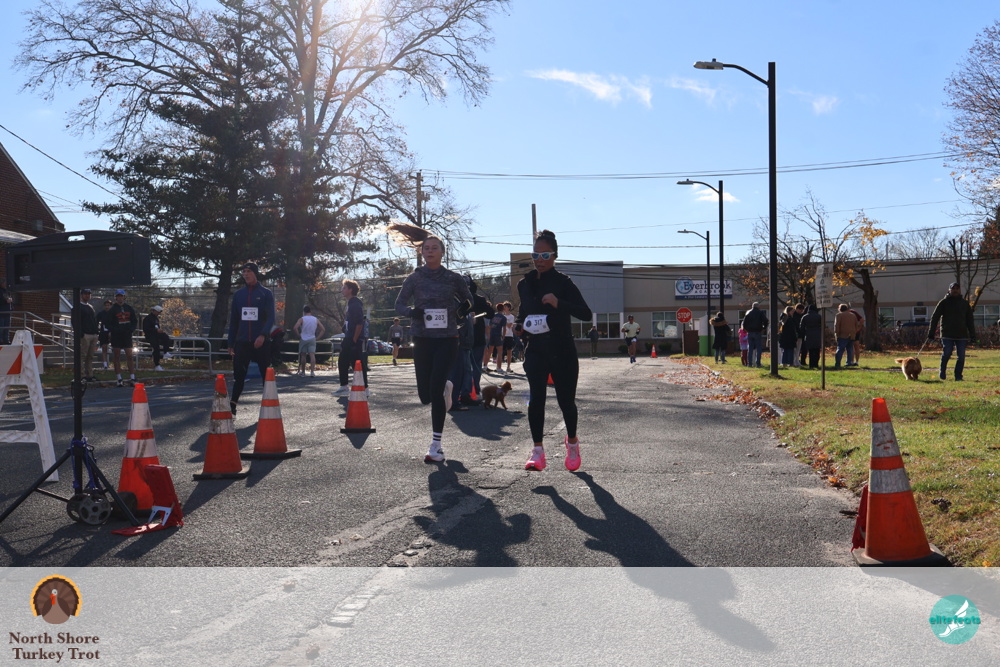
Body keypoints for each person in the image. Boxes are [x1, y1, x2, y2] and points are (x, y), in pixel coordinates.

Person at [515, 229, 592, 472]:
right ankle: (537, 451)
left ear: (555, 255)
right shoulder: (524, 284)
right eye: (535, 254)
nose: (539, 259)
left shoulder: (563, 283)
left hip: (562, 348)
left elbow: (586, 314)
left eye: (545, 255)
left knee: (566, 401)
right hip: (536, 348)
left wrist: (559, 302)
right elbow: (523, 314)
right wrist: (519, 326)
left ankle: (572, 443)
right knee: (536, 399)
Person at [393, 230, 472, 463]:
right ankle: (446, 386)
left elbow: (469, 301)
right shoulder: (414, 278)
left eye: (434, 248)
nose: (430, 251)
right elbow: (399, 304)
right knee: (425, 395)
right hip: (422, 338)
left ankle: (436, 445)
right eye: (426, 248)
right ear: (422, 252)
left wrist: (458, 313)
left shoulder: (453, 278)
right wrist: (412, 312)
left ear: (442, 252)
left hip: (447, 339)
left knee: (435, 391)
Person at [227, 263, 275, 414]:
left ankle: (269, 406)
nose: (245, 274)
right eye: (244, 272)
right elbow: (234, 320)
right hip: (242, 342)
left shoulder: (265, 293)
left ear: (255, 273)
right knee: (239, 376)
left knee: (266, 375)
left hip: (261, 342)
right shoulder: (239, 295)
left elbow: (271, 318)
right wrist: (230, 343)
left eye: (248, 271)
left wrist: (263, 335)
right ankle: (232, 405)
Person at [928, 281, 976, 381]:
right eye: (953, 288)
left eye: (957, 288)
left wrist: (973, 335)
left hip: (961, 334)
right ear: (949, 290)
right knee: (947, 353)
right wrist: (931, 333)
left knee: (961, 356)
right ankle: (942, 370)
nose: (955, 290)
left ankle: (958, 376)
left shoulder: (964, 304)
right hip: (947, 334)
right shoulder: (943, 302)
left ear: (959, 290)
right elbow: (935, 317)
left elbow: (970, 320)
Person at [334, 280, 368, 395]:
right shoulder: (351, 304)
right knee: (350, 362)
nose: (342, 290)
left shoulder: (355, 304)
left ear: (350, 290)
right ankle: (359, 388)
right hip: (349, 337)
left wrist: (354, 339)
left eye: (344, 288)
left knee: (354, 363)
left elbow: (359, 323)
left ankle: (360, 388)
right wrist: (345, 328)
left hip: (353, 339)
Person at [108, 289, 138, 387]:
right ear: (115, 297)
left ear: (124, 297)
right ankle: (119, 379)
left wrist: (131, 329)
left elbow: (134, 321)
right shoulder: (112, 309)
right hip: (116, 336)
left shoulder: (129, 308)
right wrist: (115, 330)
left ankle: (132, 377)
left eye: (121, 296)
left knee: (130, 356)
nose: (120, 298)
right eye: (118, 296)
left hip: (127, 335)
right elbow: (108, 323)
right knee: (116, 356)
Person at [74, 288, 100, 382]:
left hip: (93, 334)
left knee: (90, 356)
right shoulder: (78, 307)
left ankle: (90, 375)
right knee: (82, 356)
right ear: (81, 295)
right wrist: (81, 334)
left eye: (89, 294)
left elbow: (94, 320)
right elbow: (75, 321)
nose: (87, 295)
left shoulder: (90, 307)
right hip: (85, 335)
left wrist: (96, 332)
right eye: (85, 294)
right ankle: (81, 375)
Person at [294, 305, 325, 377]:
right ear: (310, 311)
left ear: (304, 311)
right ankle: (312, 372)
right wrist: (317, 338)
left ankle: (303, 372)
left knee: (303, 355)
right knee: (312, 355)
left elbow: (295, 328)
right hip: (312, 338)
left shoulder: (302, 319)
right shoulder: (315, 319)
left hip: (303, 338)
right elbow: (323, 329)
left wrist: (299, 335)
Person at [142, 304, 173, 371]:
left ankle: (165, 352)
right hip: (150, 336)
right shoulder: (148, 319)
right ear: (154, 311)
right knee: (156, 349)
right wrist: (156, 330)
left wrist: (159, 330)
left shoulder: (156, 318)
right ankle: (157, 365)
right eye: (158, 312)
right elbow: (146, 329)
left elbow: (157, 327)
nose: (159, 313)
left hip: (156, 334)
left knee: (166, 338)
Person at [741, 302, 768, 368]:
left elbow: (744, 323)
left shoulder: (748, 312)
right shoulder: (760, 312)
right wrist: (764, 328)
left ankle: (749, 363)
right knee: (758, 348)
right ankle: (758, 363)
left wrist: (746, 329)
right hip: (758, 332)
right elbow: (766, 321)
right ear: (758, 306)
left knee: (750, 348)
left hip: (750, 332)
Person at [798, 304, 823, 369]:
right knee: (817, 350)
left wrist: (803, 334)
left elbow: (801, 327)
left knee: (811, 351)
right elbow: (823, 325)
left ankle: (811, 364)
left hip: (808, 334)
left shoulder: (805, 317)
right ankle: (816, 363)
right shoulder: (819, 316)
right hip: (817, 334)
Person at [484, 303, 506, 373]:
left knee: (490, 351)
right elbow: (504, 328)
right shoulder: (503, 318)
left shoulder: (493, 316)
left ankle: (485, 366)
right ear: (503, 309)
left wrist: (489, 334)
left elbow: (489, 326)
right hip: (498, 335)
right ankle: (499, 368)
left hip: (492, 334)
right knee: (499, 352)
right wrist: (503, 336)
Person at [96, 299, 113, 370]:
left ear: (111, 306)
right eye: (106, 305)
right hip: (103, 332)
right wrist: (97, 330)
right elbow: (96, 321)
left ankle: (115, 363)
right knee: (104, 348)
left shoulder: (113, 313)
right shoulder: (101, 313)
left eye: (108, 305)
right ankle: (105, 364)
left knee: (115, 348)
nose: (107, 307)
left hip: (113, 332)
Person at [503, 300, 516, 373]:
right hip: (502, 335)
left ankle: (508, 366)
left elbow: (509, 325)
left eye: (505, 307)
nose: (504, 308)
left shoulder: (511, 316)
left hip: (509, 335)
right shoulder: (502, 316)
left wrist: (504, 321)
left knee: (509, 351)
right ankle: (499, 366)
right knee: (500, 351)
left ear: (509, 308)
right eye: (503, 307)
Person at [792, 303, 805, 368]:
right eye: (801, 310)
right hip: (796, 335)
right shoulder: (794, 316)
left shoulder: (799, 315)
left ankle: (796, 361)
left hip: (800, 335)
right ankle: (795, 361)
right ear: (797, 309)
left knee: (798, 349)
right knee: (795, 349)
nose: (801, 311)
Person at [0, 278, 12, 344]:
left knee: (7, 328)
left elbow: (9, 299)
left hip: (7, 312)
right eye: (4, 283)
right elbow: (3, 300)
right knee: (1, 328)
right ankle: (1, 340)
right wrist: (6, 301)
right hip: (1, 313)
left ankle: (6, 340)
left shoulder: (7, 291)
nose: (5, 284)